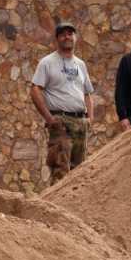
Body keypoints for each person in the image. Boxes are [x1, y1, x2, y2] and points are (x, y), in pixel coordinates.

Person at [30, 22, 94, 185]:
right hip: (61, 123)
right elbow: (35, 90)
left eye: (70, 33)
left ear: (75, 37)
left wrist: (90, 119)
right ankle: (56, 209)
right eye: (63, 34)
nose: (67, 37)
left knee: (79, 172)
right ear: (57, 39)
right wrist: (49, 118)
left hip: (80, 122)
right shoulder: (47, 62)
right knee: (61, 170)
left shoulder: (80, 65)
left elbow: (87, 93)